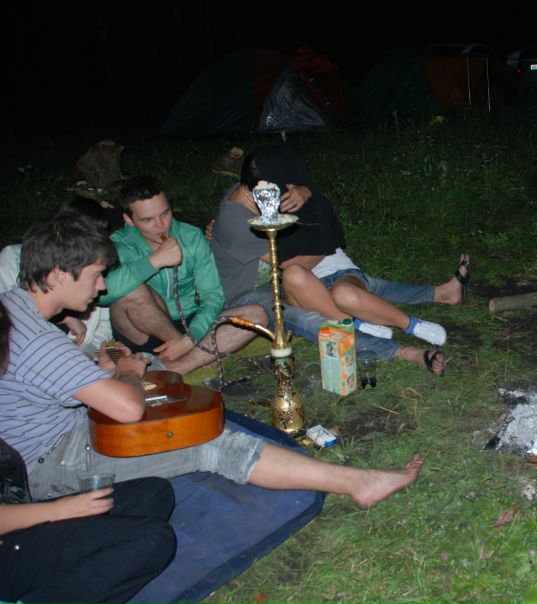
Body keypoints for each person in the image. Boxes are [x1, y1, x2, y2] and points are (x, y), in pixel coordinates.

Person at [0, 212, 423, 512]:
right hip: (52, 463)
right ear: (58, 274)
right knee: (207, 442)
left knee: (174, 404)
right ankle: (359, 483)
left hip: (58, 434)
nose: (100, 287)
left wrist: (97, 361)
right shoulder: (37, 340)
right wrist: (126, 372)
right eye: (95, 275)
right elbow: (126, 408)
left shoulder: (13, 308)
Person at [210, 144, 471, 376]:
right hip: (250, 296)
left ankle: (436, 296)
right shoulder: (238, 224)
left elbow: (302, 200)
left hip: (280, 280)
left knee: (346, 286)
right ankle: (403, 352)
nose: (280, 196)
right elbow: (290, 262)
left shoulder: (256, 191)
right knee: (309, 320)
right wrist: (327, 245)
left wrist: (306, 191)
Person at [0, 298, 177, 604]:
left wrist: (96, 366)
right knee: (153, 539)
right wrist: (60, 511)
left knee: (154, 494)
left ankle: (77, 564)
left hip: (16, 510)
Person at [99, 175, 269, 375]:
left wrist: (190, 339)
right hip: (140, 327)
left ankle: (175, 366)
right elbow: (102, 294)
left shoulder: (191, 237)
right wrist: (154, 261)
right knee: (132, 291)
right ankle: (195, 354)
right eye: (147, 220)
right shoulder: (120, 244)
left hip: (189, 322)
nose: (161, 225)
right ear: (129, 220)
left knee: (256, 315)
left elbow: (212, 296)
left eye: (165, 213)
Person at [0, 196, 115, 354]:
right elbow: (11, 310)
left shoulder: (94, 270)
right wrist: (61, 317)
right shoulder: (16, 257)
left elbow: (104, 323)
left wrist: (88, 352)